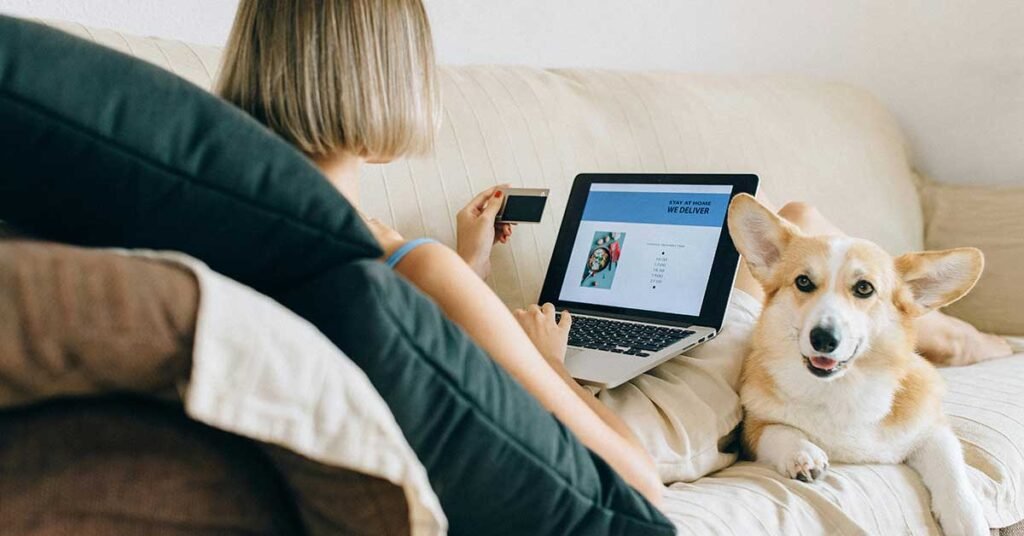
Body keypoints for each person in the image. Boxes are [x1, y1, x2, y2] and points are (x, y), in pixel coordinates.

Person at [216, 0, 663, 505]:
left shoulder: (228, 230)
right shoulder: (409, 264)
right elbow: (639, 482)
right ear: (389, 76)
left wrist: (468, 270)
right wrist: (550, 363)